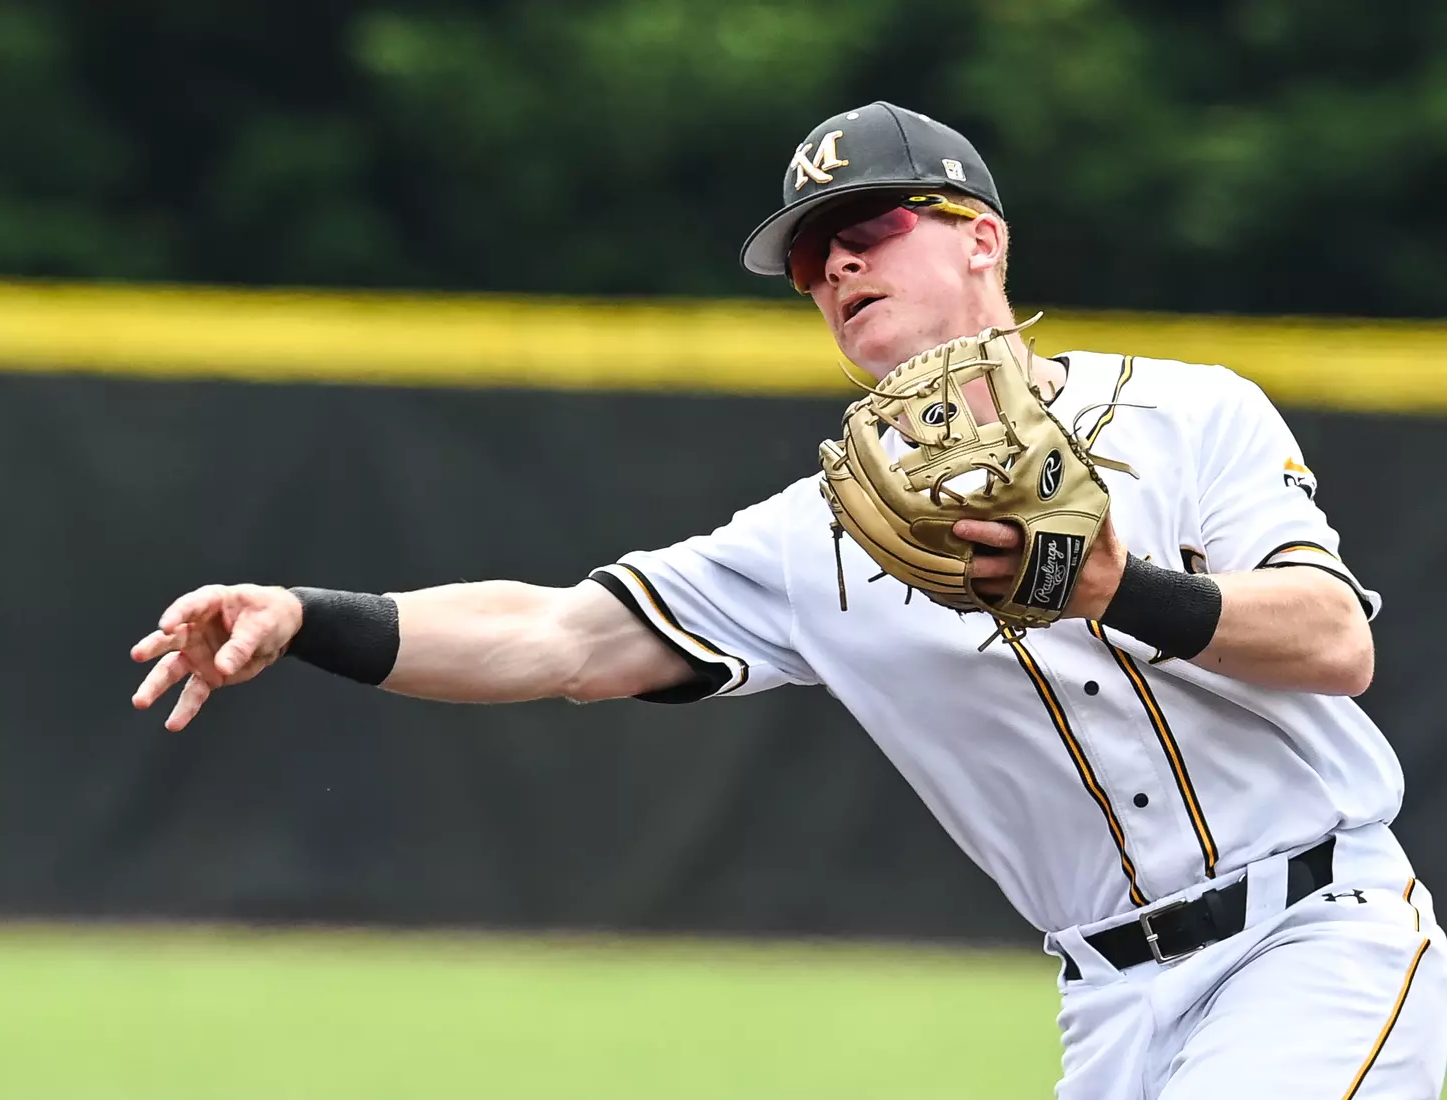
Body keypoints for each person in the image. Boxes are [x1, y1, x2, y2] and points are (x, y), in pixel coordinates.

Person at [129, 102, 1447, 1098]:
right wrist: (306, 616)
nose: (835, 270)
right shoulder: (815, 539)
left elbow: (1332, 643)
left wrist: (1114, 584)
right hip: (1109, 1009)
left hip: (1317, 940)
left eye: (865, 231)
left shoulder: (1187, 410)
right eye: (811, 258)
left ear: (979, 239)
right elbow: (560, 636)